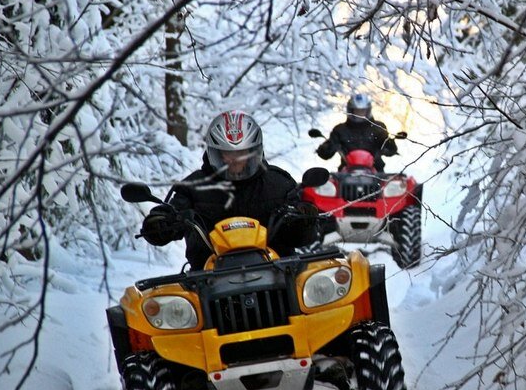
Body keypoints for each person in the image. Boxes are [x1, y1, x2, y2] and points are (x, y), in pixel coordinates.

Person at [140, 110, 316, 270]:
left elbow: (303, 237)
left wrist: (304, 218)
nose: (236, 159)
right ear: (214, 152)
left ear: (255, 151)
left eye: (243, 152)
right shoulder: (194, 187)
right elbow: (169, 215)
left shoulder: (278, 183)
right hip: (207, 282)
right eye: (227, 153)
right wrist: (160, 221)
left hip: (280, 274)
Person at [316, 93, 397, 171]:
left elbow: (390, 150)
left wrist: (389, 143)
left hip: (376, 173)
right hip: (346, 173)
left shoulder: (378, 128)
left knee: (396, 184)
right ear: (351, 111)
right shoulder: (340, 130)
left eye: (362, 111)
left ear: (368, 111)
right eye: (357, 111)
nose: (360, 114)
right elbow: (326, 154)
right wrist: (326, 148)